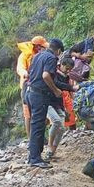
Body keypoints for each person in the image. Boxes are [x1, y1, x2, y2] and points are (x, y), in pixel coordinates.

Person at [25, 38, 66, 169]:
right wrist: (55, 90)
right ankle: (35, 158)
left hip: (30, 92)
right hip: (39, 95)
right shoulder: (51, 58)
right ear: (58, 50)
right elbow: (46, 76)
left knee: (36, 124)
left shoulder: (37, 56)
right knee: (38, 126)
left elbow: (32, 73)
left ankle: (33, 155)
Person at [43, 55, 77, 162]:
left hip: (58, 103)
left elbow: (64, 91)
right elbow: (57, 84)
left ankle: (52, 151)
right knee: (56, 121)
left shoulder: (66, 77)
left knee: (62, 128)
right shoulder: (54, 73)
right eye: (67, 69)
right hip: (48, 101)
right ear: (61, 65)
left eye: (70, 70)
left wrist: (65, 109)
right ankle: (49, 147)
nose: (68, 71)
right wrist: (71, 88)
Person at [16, 35, 48, 139]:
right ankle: (30, 138)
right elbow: (20, 68)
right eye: (41, 46)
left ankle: (40, 136)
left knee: (41, 111)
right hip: (27, 86)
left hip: (39, 87)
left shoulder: (42, 55)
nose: (42, 48)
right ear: (36, 46)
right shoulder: (25, 55)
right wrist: (24, 73)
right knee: (28, 113)